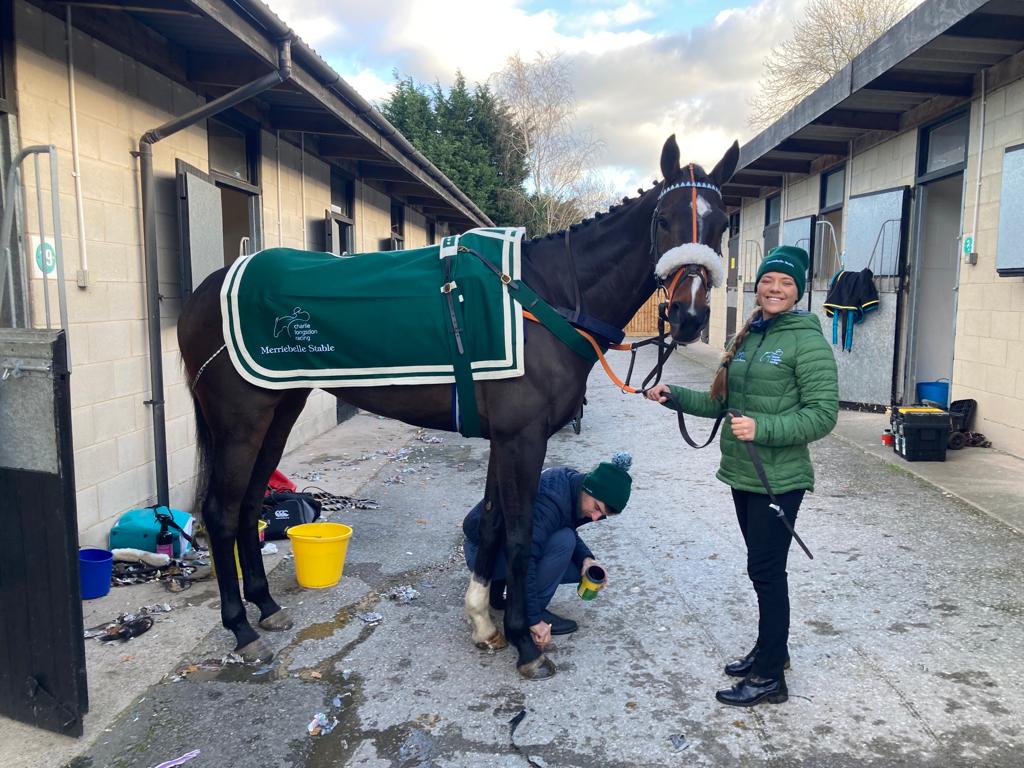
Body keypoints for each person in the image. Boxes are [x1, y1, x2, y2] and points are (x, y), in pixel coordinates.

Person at [646, 245, 838, 707]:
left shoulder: (807, 340)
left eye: (786, 283)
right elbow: (719, 403)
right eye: (769, 280)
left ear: (799, 290)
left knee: (767, 572)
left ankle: (770, 678)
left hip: (780, 478)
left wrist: (764, 428)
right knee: (761, 570)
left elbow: (823, 415)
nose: (775, 289)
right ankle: (774, 651)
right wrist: (675, 397)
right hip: (743, 472)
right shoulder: (749, 332)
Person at [463, 453, 633, 650]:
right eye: (596, 508)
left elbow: (558, 526)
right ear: (589, 488)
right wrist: (533, 618)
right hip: (483, 556)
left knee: (572, 555)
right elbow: (524, 559)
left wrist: (586, 559)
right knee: (564, 544)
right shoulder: (550, 502)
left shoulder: (572, 486)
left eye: (602, 515)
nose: (595, 518)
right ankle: (524, 613)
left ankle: (497, 594)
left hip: (497, 544)